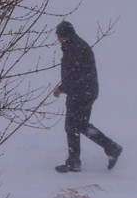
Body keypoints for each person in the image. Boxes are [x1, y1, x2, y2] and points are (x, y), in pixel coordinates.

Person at [52, 21, 122, 173]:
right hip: (85, 91)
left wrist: (61, 89)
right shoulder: (75, 45)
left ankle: (77, 161)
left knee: (73, 126)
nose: (58, 39)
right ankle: (108, 148)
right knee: (79, 125)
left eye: (58, 35)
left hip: (80, 93)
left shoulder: (74, 48)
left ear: (64, 35)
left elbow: (74, 74)